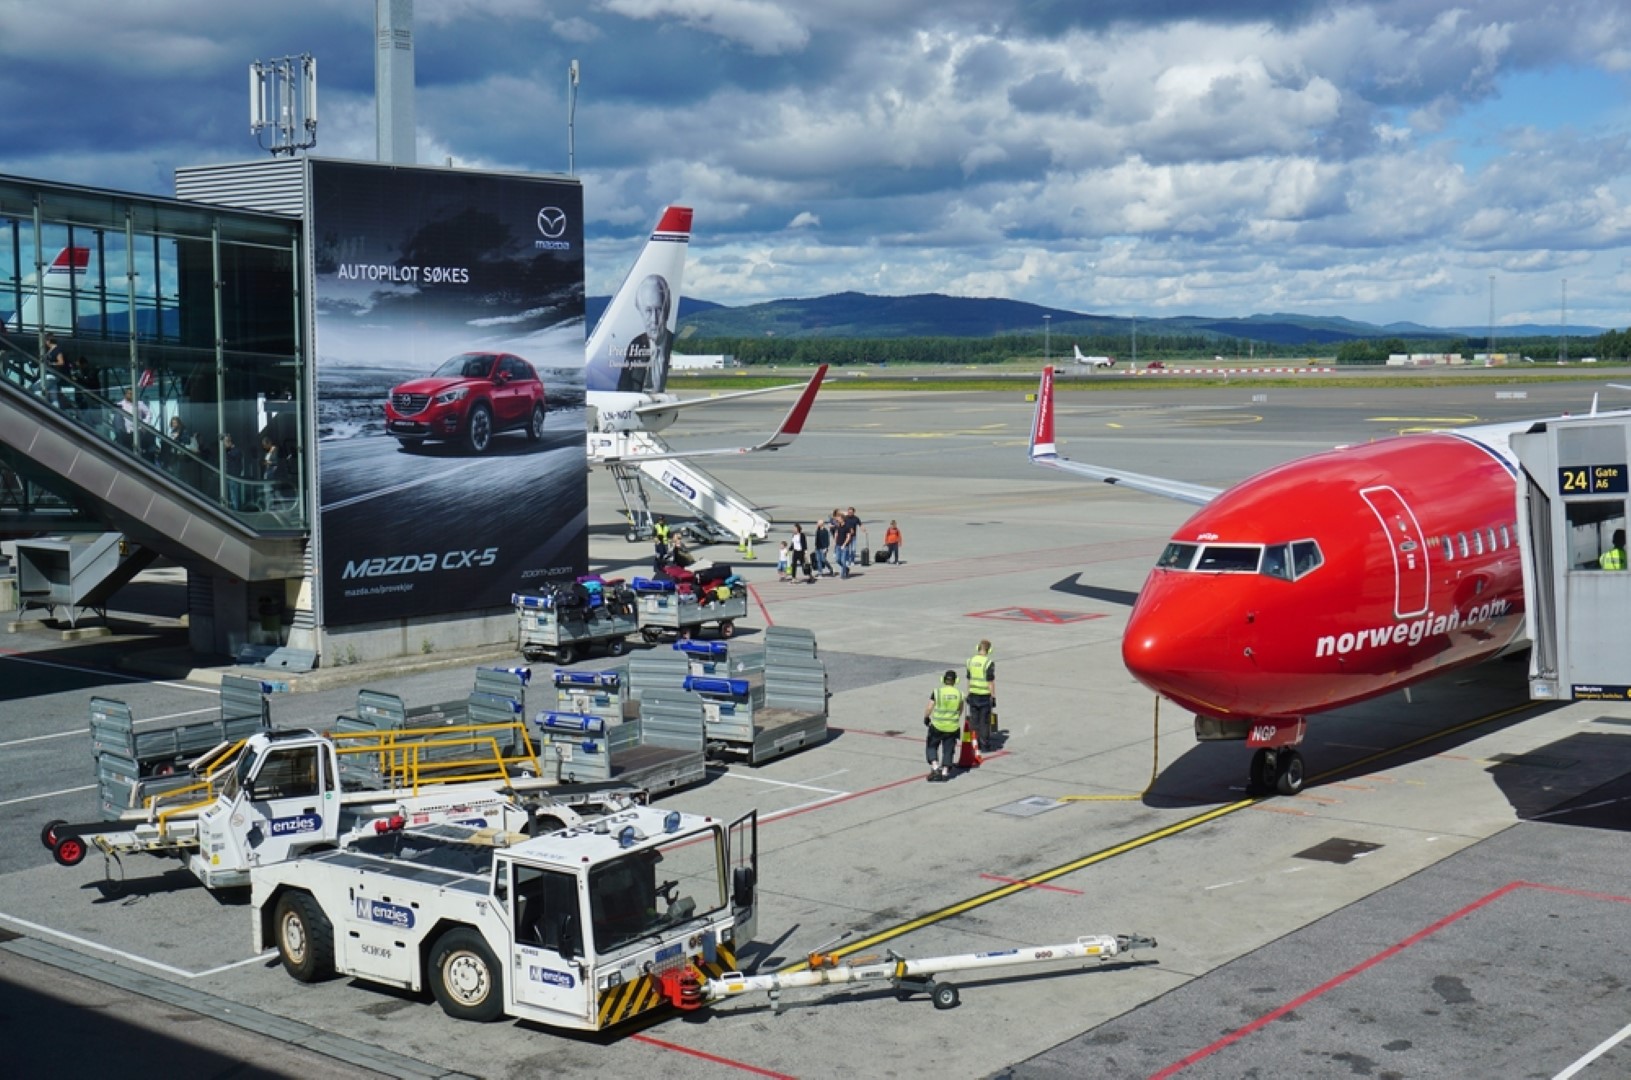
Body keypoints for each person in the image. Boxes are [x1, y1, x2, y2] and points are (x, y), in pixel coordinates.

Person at [923, 669, 964, 781]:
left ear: (943, 680)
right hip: (952, 727)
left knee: (931, 745)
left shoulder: (937, 692)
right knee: (948, 749)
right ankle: (945, 772)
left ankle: (935, 767)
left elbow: (929, 707)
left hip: (937, 725)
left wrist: (926, 717)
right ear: (956, 681)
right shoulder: (960, 694)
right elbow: (960, 710)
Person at [965, 640, 997, 750]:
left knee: (974, 719)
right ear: (989, 650)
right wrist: (993, 696)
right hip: (984, 695)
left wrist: (968, 693)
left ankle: (974, 742)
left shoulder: (970, 661)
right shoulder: (988, 662)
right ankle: (984, 744)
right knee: (984, 721)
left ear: (977, 647)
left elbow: (969, 679)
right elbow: (990, 681)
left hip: (973, 693)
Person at [221, 433, 247, 510]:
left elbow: (236, 462)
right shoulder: (228, 452)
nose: (224, 445)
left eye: (225, 443)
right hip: (228, 476)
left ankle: (235, 511)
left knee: (234, 495)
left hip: (233, 477)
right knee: (230, 495)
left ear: (229, 442)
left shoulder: (236, 451)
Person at [833, 507, 856, 578]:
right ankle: (846, 568)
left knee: (843, 561)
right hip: (838, 545)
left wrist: (844, 544)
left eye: (838, 518)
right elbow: (836, 533)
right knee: (837, 560)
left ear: (842, 519)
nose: (837, 519)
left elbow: (848, 537)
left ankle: (843, 575)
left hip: (844, 546)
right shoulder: (838, 526)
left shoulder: (847, 526)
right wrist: (834, 542)